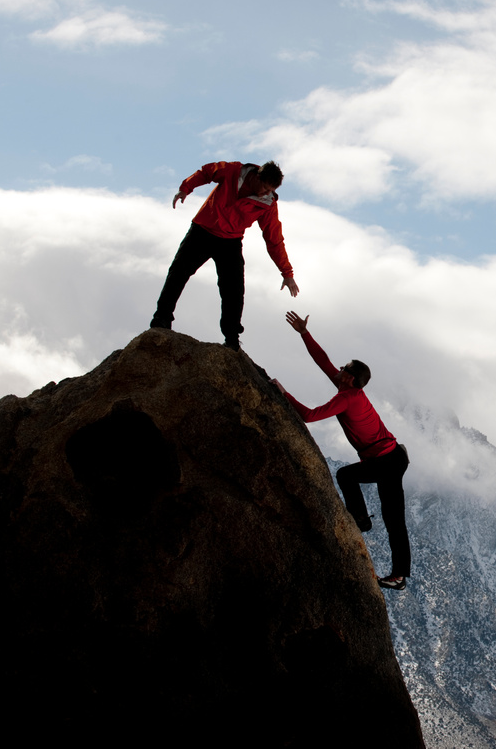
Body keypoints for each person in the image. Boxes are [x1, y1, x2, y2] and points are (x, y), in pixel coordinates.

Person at [273, 311, 411, 591]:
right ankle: (362, 522)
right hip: (387, 456)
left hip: (388, 461)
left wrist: (283, 393)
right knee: (352, 480)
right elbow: (322, 360)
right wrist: (304, 333)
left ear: (350, 379)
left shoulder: (347, 398)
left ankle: (395, 572)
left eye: (344, 368)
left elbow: (310, 416)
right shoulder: (347, 386)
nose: (338, 368)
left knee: (390, 515)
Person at [150, 160, 299, 350]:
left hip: (230, 242)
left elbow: (274, 239)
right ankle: (161, 318)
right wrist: (185, 188)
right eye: (263, 187)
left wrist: (286, 273)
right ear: (256, 176)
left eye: (270, 190)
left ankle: (232, 338)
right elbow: (206, 173)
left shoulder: (267, 204)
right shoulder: (232, 171)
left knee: (234, 290)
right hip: (202, 231)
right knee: (178, 273)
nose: (265, 193)